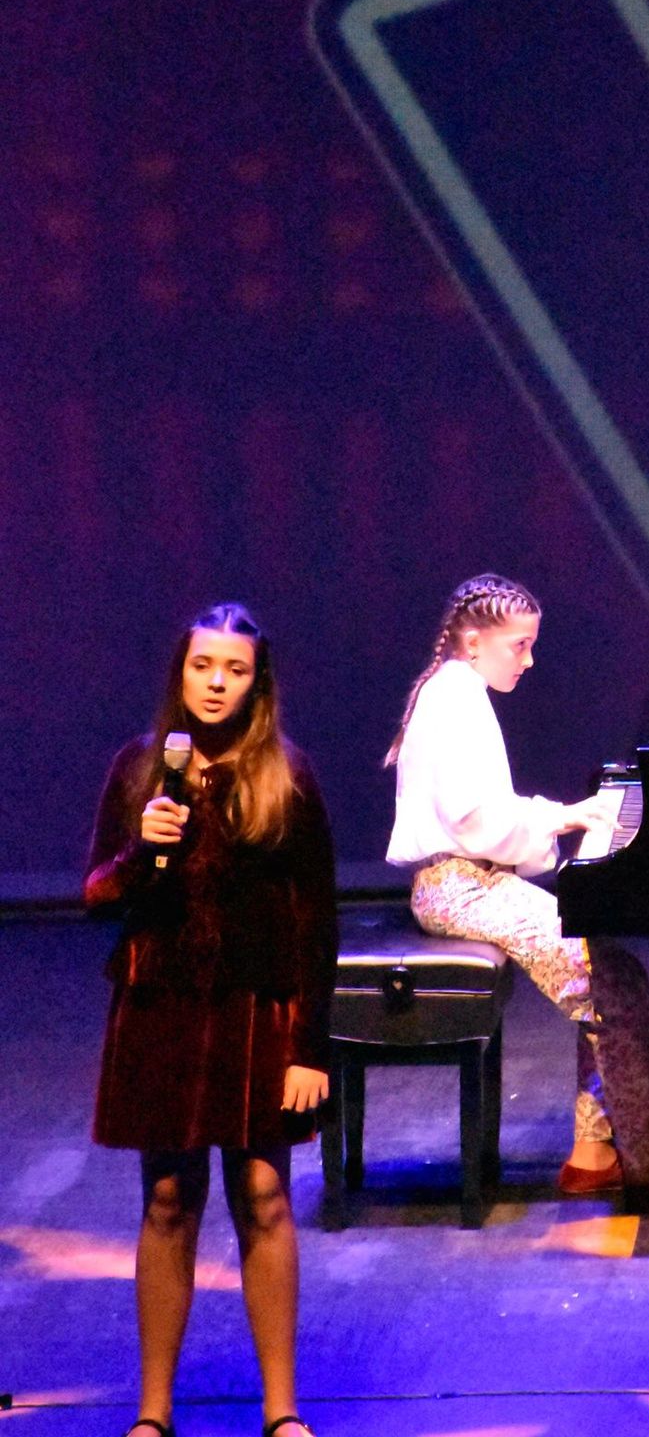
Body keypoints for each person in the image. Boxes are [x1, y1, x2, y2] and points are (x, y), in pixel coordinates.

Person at [85, 603, 335, 1437]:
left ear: (257, 682)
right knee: (166, 1197)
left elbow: (317, 923)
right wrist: (143, 850)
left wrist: (309, 1048)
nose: (216, 683)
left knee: (263, 1193)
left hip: (256, 1018)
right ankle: (153, 1414)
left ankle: (281, 1412)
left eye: (234, 669)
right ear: (180, 672)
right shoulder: (139, 768)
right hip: (161, 1014)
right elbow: (97, 896)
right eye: (203, 666)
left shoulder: (286, 775)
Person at [385, 572, 649, 1193]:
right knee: (601, 976)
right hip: (459, 889)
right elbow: (477, 824)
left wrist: (558, 817)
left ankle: (596, 1152)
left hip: (476, 881)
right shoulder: (452, 700)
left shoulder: (458, 692)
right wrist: (561, 818)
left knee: (606, 966)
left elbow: (486, 813)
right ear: (473, 641)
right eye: (520, 646)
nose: (529, 660)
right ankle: (634, 1156)